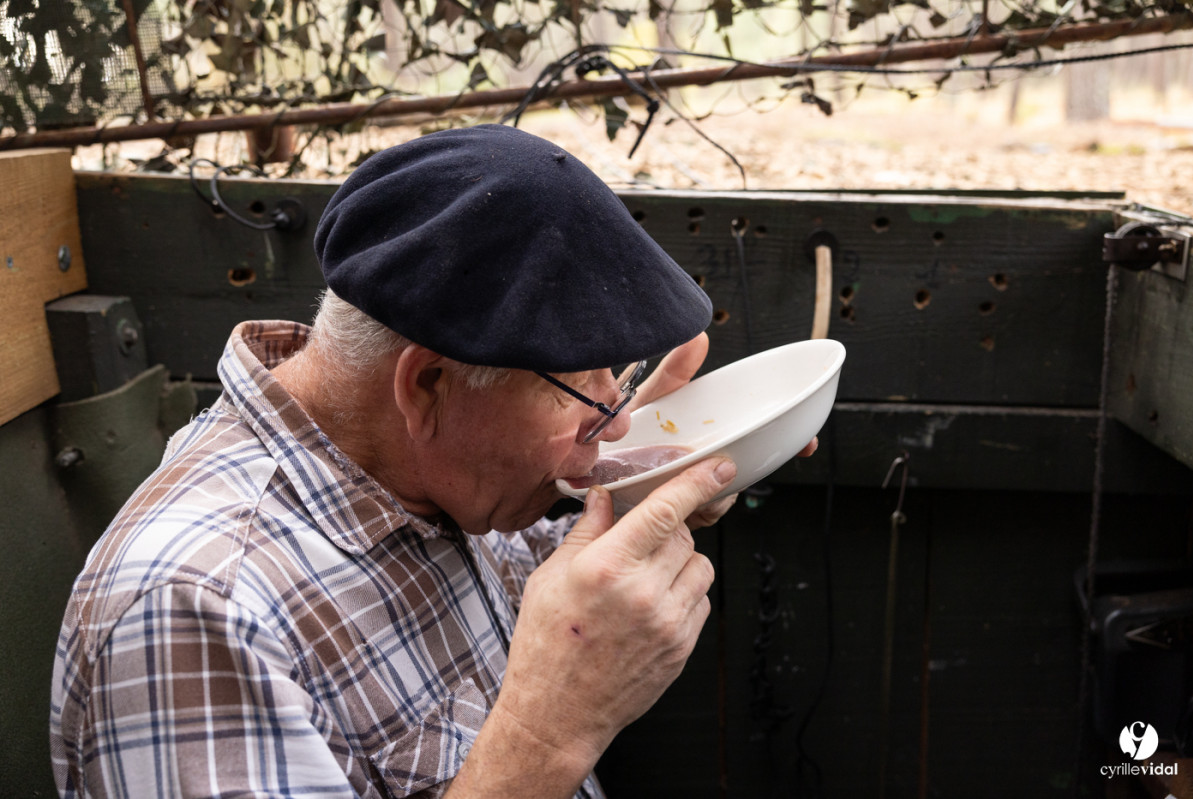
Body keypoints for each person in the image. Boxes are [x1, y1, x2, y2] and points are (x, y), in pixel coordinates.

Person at [50, 124, 816, 798]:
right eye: (583, 381)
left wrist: (649, 482)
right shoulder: (193, 610)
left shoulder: (418, 473)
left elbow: (537, 581)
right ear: (426, 385)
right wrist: (549, 733)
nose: (613, 419)